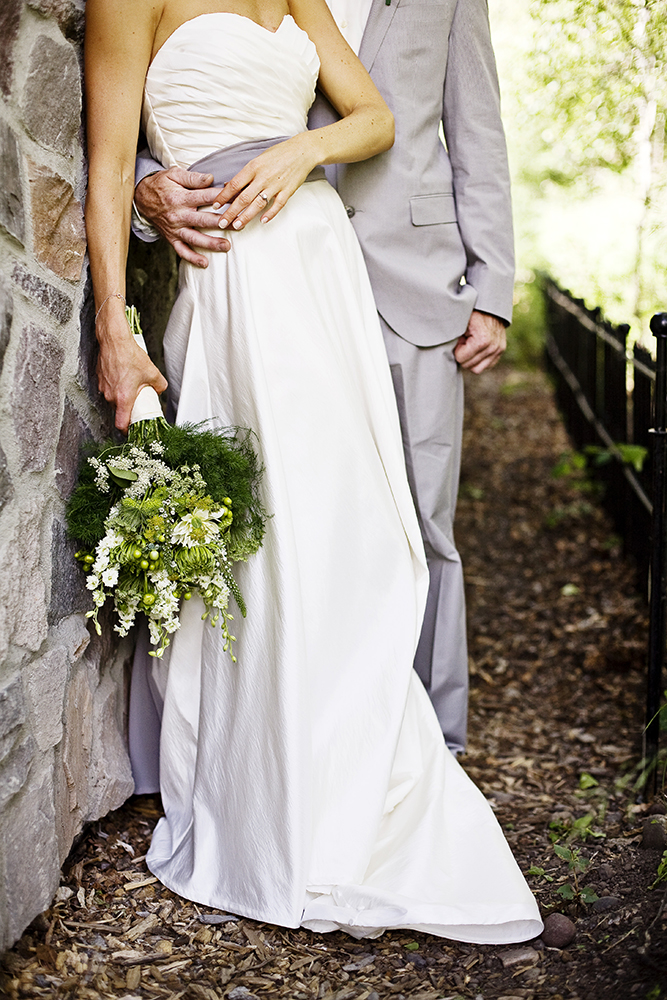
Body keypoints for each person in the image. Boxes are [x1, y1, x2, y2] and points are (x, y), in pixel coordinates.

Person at [85, 0, 541, 940]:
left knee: (361, 535)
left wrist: (299, 152)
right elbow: (104, 166)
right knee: (266, 540)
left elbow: (377, 116)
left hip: (321, 263)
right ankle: (269, 799)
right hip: (237, 283)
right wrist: (115, 330)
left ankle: (374, 783)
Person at [132, 0, 514, 755]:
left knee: (421, 519)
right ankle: (300, 735)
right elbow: (163, 97)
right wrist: (148, 184)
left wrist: (492, 289)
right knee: (287, 513)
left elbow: (476, 130)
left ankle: (426, 742)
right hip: (269, 274)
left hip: (412, 283)